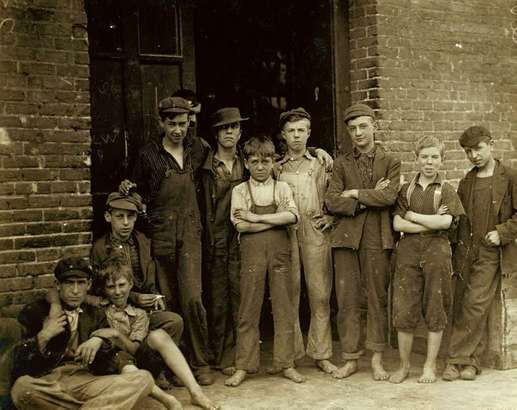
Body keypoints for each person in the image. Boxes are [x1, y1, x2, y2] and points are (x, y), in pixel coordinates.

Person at [119, 96, 214, 385]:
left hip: (189, 232)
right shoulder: (148, 155)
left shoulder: (198, 148)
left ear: (189, 123)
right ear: (161, 123)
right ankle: (173, 365)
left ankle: (201, 362)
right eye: (171, 124)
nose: (177, 130)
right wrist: (126, 189)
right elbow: (135, 194)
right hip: (160, 234)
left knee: (193, 299)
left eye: (182, 124)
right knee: (167, 302)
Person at [9, 256, 154, 409]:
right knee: (21, 388)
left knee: (144, 379)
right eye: (69, 283)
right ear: (58, 285)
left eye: (81, 283)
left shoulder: (95, 314)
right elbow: (16, 361)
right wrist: (43, 336)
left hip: (85, 381)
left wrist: (99, 340)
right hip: (48, 382)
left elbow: (111, 357)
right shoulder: (36, 311)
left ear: (89, 284)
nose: (76, 291)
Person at [325, 103, 400, 380]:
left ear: (374, 126)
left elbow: (390, 196)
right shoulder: (341, 163)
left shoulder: (391, 161)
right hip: (346, 239)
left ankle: (377, 359)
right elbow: (332, 201)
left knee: (377, 299)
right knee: (347, 301)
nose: (358, 132)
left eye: (363, 126)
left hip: (377, 239)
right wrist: (368, 197)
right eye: (352, 128)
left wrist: (354, 192)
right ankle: (351, 358)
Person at [225, 136, 305, 387]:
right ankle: (244, 366)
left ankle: (286, 363)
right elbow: (239, 225)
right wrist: (270, 219)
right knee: (248, 308)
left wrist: (254, 219)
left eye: (266, 161)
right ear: (246, 164)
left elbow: (292, 217)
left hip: (279, 254)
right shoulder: (239, 190)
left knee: (284, 307)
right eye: (255, 161)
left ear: (273, 162)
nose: (261, 166)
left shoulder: (281, 188)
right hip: (252, 255)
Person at [91, 257, 219, 410]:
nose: (117, 292)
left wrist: (115, 334)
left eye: (122, 285)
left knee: (158, 335)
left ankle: (196, 392)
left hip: (136, 363)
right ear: (104, 290)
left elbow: (134, 349)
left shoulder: (138, 314)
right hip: (110, 367)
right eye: (111, 287)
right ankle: (167, 399)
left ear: (131, 285)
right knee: (120, 357)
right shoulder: (98, 308)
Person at [442, 126, 517, 381]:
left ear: (491, 144)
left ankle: (457, 359)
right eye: (468, 152)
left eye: (478, 149)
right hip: (466, 249)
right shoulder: (467, 181)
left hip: (491, 251)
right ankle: (470, 361)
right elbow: (460, 219)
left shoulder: (510, 177)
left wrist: (502, 232)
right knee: (461, 300)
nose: (473, 155)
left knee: (475, 302)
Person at [389, 136, 465, 384]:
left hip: (437, 251)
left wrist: (412, 216)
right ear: (416, 157)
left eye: (434, 157)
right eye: (424, 156)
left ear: (441, 160)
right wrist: (427, 220)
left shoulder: (447, 190)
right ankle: (403, 366)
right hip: (408, 251)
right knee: (404, 308)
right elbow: (397, 223)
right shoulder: (405, 189)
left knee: (435, 306)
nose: (429, 162)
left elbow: (446, 222)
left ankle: (430, 366)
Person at [275, 107, 336, 374]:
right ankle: (291, 355)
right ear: (283, 135)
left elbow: (335, 194)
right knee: (290, 293)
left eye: (301, 130)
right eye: (291, 131)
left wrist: (332, 218)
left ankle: (321, 354)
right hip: (286, 233)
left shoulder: (321, 163)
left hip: (315, 232)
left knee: (320, 294)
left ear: (309, 133)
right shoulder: (276, 167)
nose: (296, 136)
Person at [200, 107, 248, 373]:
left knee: (241, 298)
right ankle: (221, 355)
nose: (229, 132)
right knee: (218, 301)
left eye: (234, 127)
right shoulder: (206, 166)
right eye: (224, 128)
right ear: (216, 133)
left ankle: (241, 355)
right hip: (215, 241)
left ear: (240, 132)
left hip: (241, 240)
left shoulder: (248, 162)